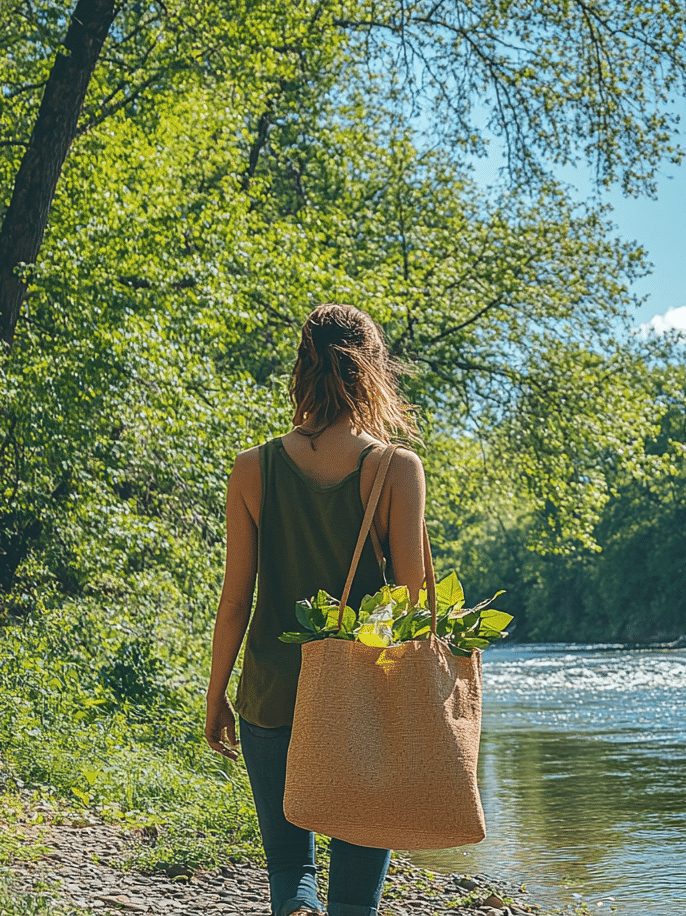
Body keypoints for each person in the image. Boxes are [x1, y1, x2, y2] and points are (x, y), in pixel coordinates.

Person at [204, 303, 427, 916]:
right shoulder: (395, 469)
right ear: (373, 371)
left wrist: (217, 692)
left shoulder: (252, 468)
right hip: (365, 699)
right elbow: (413, 608)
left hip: (273, 694)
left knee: (290, 875)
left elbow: (235, 600)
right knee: (356, 893)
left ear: (301, 369)